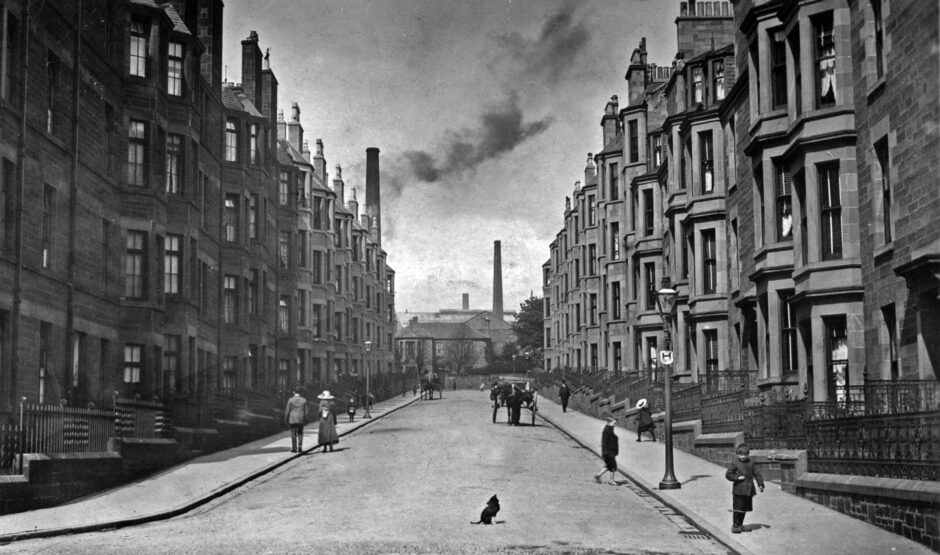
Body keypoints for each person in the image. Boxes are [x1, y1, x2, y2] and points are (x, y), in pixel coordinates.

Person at [725, 443, 764, 533]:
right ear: (737, 454)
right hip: (738, 490)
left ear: (748, 454)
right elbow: (728, 474)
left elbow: (757, 474)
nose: (743, 457)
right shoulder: (734, 463)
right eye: (740, 454)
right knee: (737, 508)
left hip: (748, 490)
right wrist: (737, 478)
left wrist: (760, 484)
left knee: (744, 509)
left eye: (745, 455)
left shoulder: (751, 463)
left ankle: (740, 525)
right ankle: (735, 526)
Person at [594, 416, 619, 485]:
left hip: (610, 452)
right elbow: (604, 442)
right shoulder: (607, 430)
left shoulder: (609, 428)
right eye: (614, 423)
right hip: (608, 452)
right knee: (613, 466)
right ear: (609, 422)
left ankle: (598, 475)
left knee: (609, 466)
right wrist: (606, 452)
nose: (615, 425)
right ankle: (611, 480)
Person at [284, 388, 309, 453]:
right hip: (301, 419)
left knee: (293, 434)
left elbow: (287, 411)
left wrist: (286, 419)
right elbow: (306, 412)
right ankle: (300, 447)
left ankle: (294, 448)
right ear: (300, 392)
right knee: (300, 433)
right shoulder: (304, 400)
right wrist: (306, 419)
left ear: (293, 392)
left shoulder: (290, 400)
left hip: (292, 419)